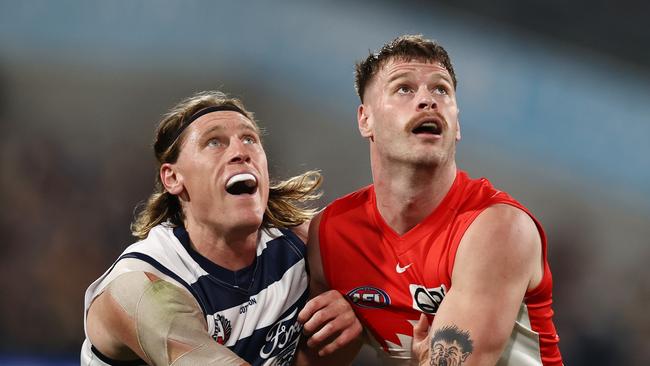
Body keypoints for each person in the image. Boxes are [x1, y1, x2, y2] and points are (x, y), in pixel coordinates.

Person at [307, 35, 563, 365]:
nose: (428, 101)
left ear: (457, 125)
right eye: (404, 89)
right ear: (365, 119)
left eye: (441, 90)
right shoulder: (331, 236)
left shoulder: (498, 229)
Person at [81, 91, 361, 365]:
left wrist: (351, 328)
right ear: (173, 177)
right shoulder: (141, 286)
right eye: (214, 142)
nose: (241, 152)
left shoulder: (300, 246)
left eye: (250, 139)